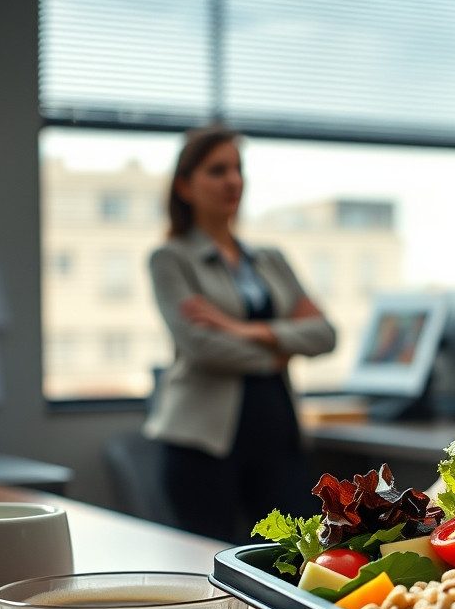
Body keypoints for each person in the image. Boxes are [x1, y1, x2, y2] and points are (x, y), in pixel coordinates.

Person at [143, 126, 337, 542]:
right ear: (184, 186)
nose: (233, 181)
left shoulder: (270, 259)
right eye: (217, 170)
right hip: (202, 443)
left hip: (277, 432)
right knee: (209, 566)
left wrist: (239, 327)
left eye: (237, 169)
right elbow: (200, 346)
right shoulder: (171, 259)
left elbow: (324, 334)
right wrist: (279, 348)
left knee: (298, 559)